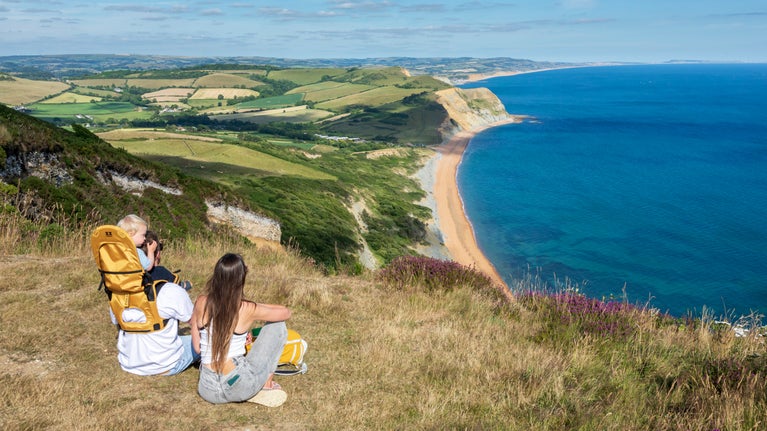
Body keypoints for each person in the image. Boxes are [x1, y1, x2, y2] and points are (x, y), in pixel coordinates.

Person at [191, 253, 291, 406]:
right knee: (278, 326)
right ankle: (266, 385)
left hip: (207, 389)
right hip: (238, 384)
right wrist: (254, 306)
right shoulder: (246, 308)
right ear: (240, 279)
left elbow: (198, 348)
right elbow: (285, 312)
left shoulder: (201, 302)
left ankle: (248, 392)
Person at [110, 214, 200, 376]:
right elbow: (197, 322)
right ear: (156, 253)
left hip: (129, 363)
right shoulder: (170, 290)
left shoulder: (118, 293)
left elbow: (117, 322)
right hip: (164, 364)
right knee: (209, 339)